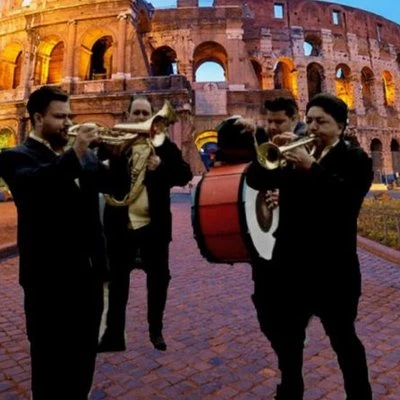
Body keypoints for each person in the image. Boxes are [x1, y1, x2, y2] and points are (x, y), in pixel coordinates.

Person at [246, 93, 373, 399]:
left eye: (322, 121)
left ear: (341, 126)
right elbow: (255, 179)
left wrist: (311, 167)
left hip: (333, 270)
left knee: (344, 341)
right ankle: (291, 391)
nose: (313, 127)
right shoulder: (295, 153)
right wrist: (271, 147)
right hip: (293, 268)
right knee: (289, 342)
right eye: (311, 119)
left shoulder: (356, 159)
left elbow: (343, 203)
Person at [0, 86, 111, 400]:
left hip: (89, 278)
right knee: (51, 371)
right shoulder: (14, 157)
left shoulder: (82, 157)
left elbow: (116, 186)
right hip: (48, 283)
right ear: (37, 118)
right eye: (59, 117)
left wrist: (120, 157)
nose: (67, 122)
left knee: (83, 365)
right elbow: (37, 186)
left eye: (69, 116)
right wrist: (76, 153)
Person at [98, 96, 193, 352]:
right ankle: (114, 335)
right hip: (120, 227)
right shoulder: (116, 145)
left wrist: (161, 167)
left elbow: (184, 175)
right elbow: (98, 179)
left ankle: (156, 331)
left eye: (145, 113)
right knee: (118, 283)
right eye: (136, 113)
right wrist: (108, 155)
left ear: (152, 117)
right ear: (128, 115)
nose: (140, 118)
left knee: (158, 281)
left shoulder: (165, 147)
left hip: (155, 228)